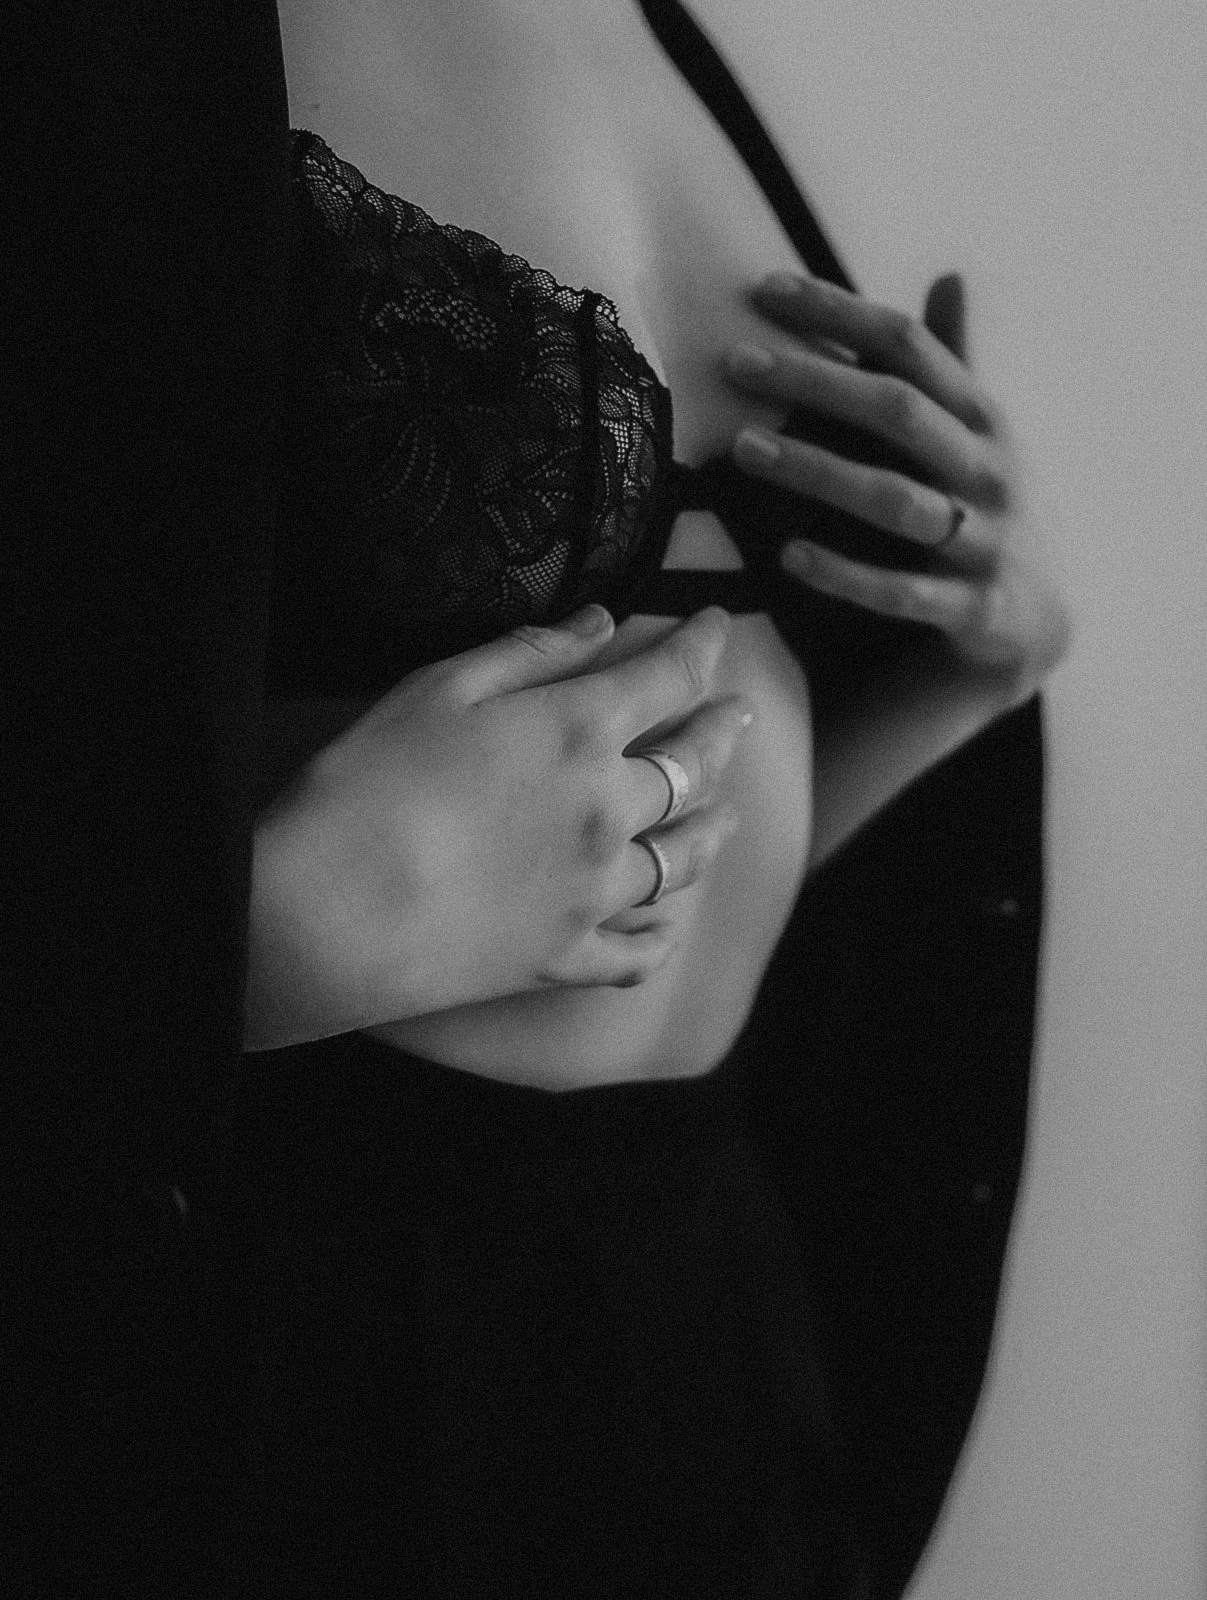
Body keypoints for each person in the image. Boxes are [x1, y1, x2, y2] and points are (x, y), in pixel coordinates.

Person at [214, 2, 1069, 1596]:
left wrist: (958, 682)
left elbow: (631, 852)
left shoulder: (642, 29)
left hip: (693, 1306)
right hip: (303, 1330)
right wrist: (257, 952)